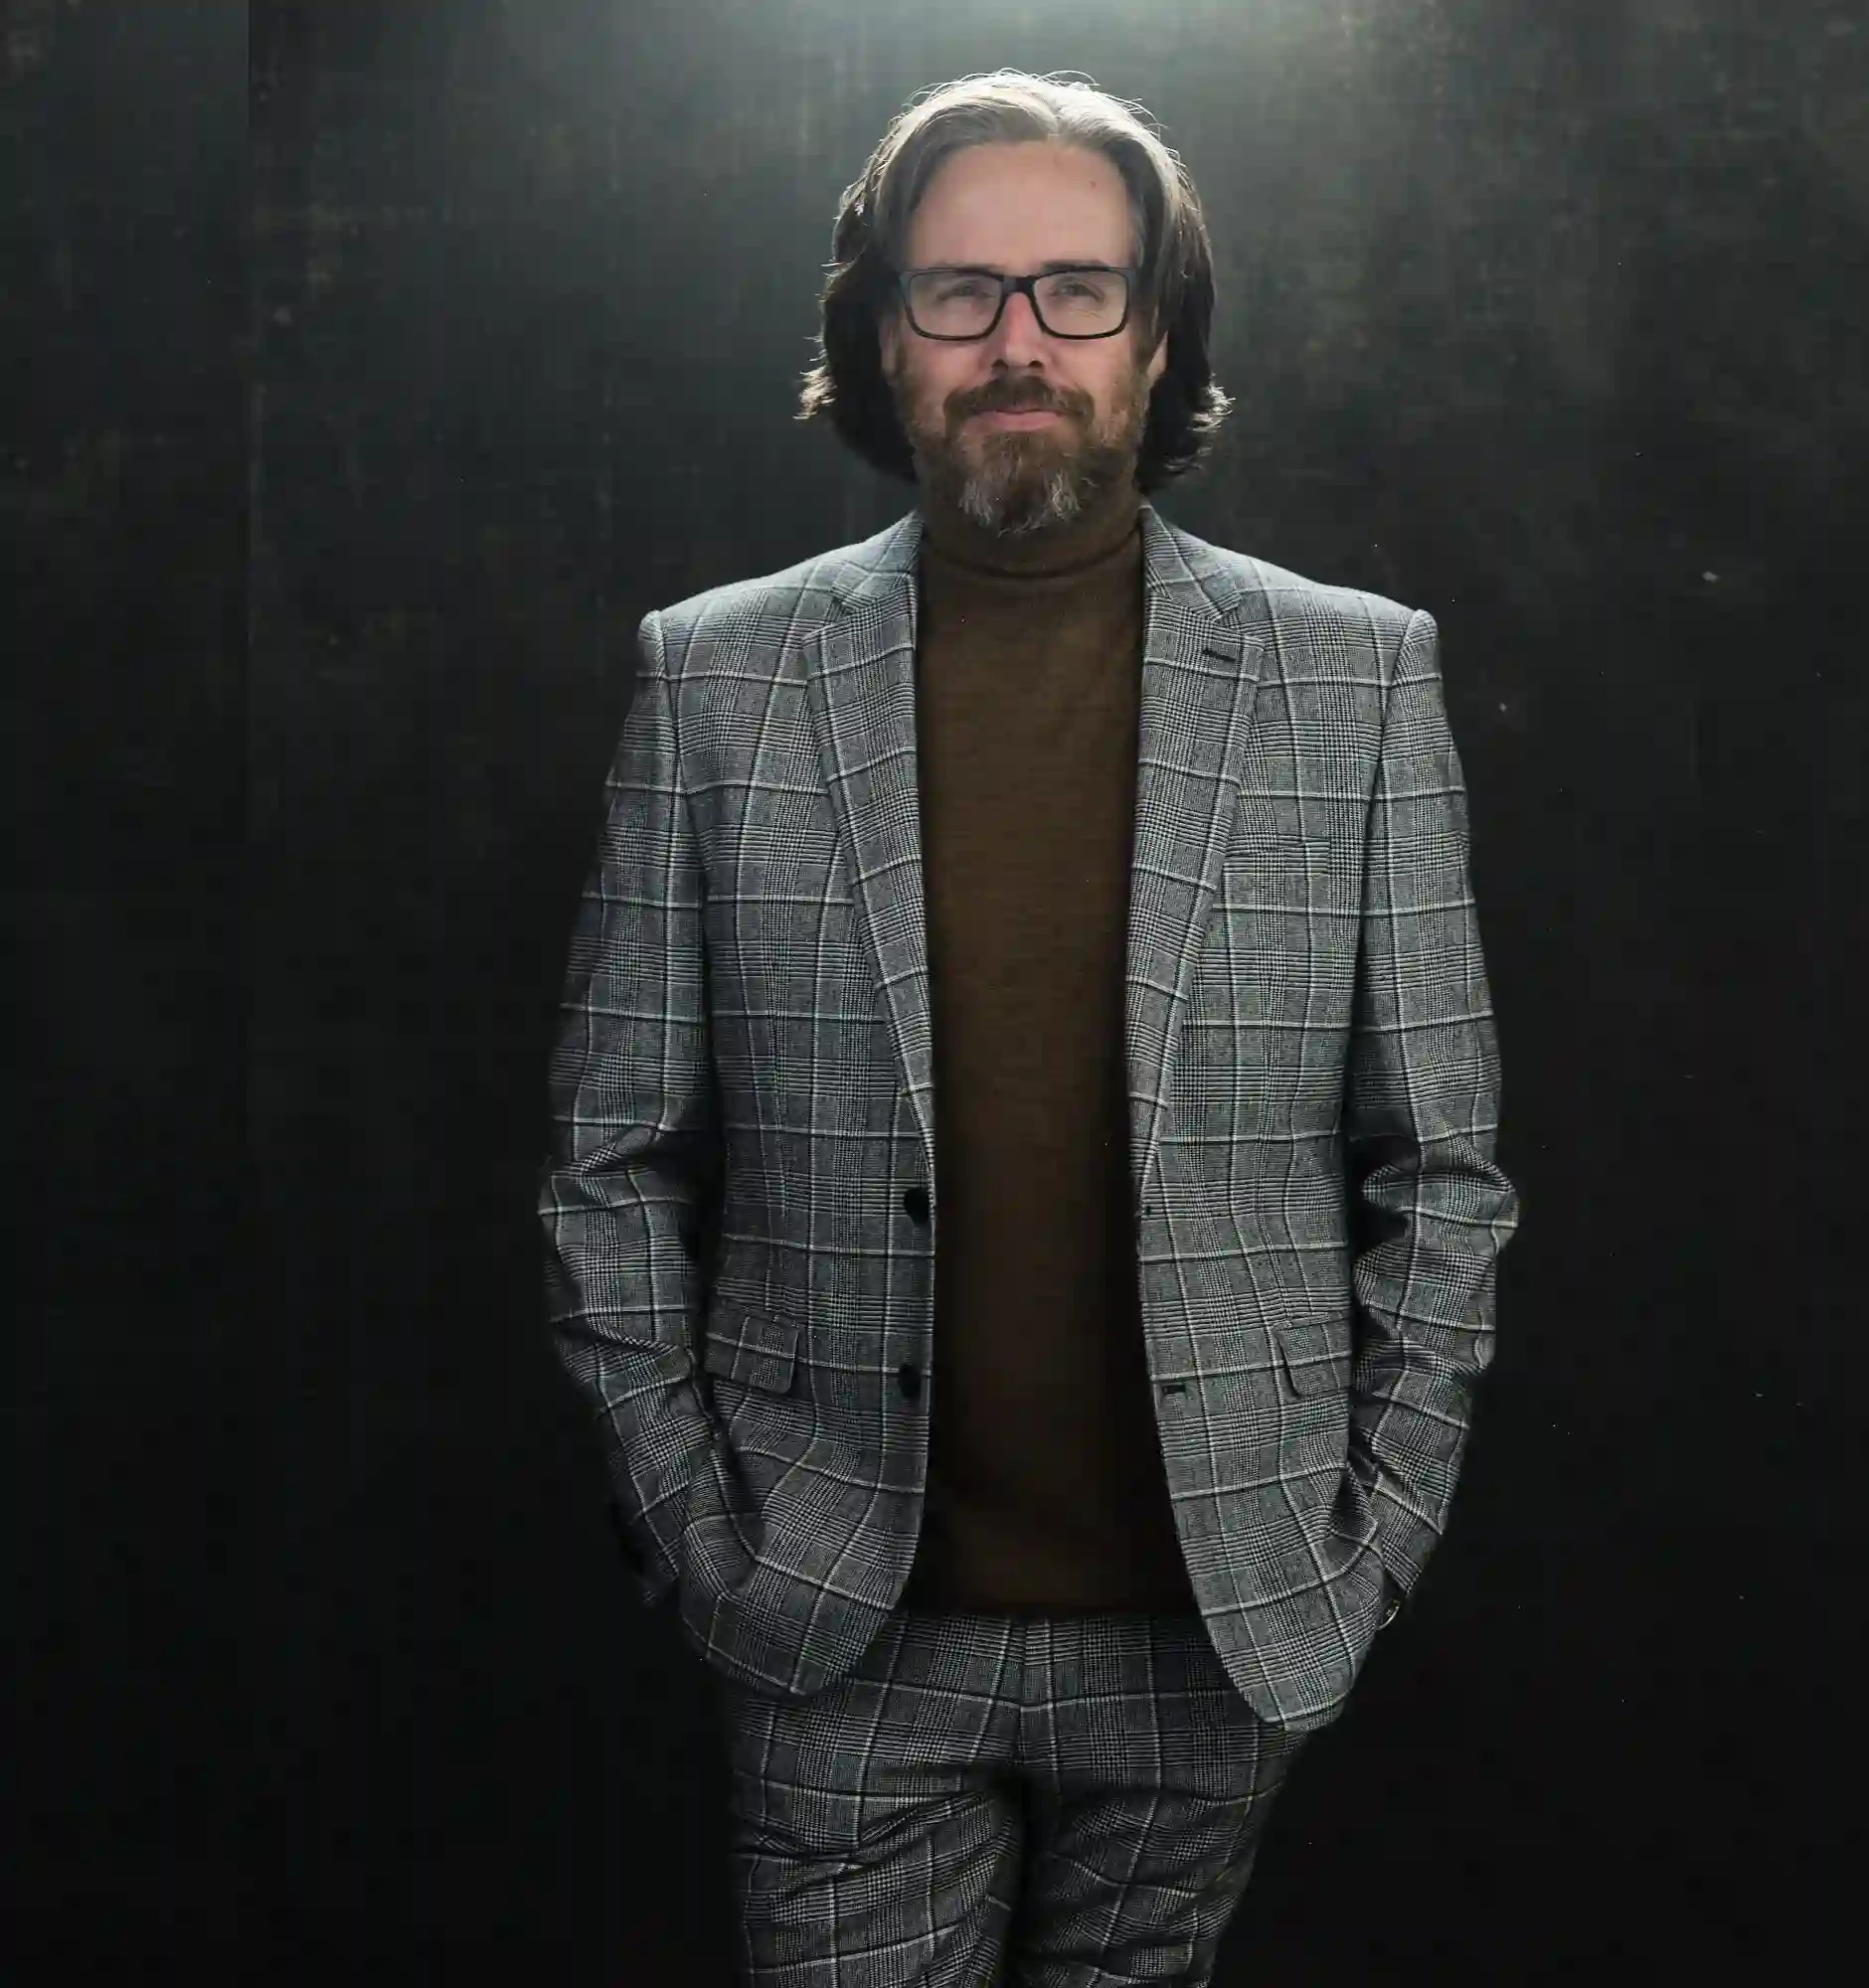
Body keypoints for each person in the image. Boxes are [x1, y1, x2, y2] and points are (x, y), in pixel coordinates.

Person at [538, 67, 1520, 1988]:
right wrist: (703, 1532)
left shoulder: (1354, 678)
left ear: (1158, 335)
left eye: (1079, 290)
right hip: (839, 1623)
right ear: (880, 330)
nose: (1017, 341)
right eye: (958, 290)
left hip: (1217, 1623)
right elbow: (611, 1158)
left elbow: (1443, 1163)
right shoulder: (718, 676)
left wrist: (1365, 1537)